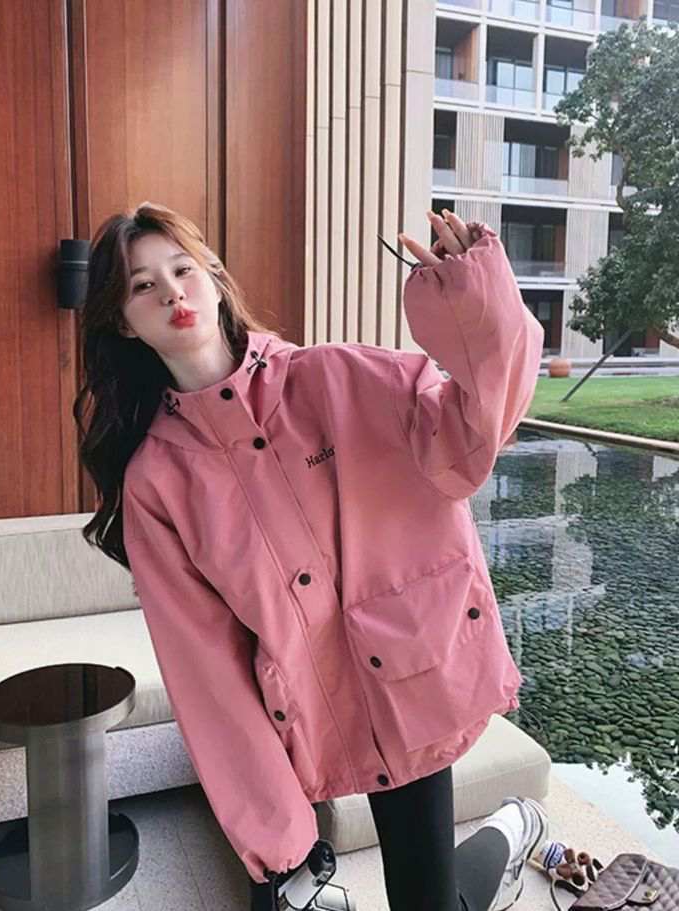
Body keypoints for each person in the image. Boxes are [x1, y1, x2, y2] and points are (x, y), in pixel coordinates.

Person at [74, 202, 546, 910]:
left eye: (182, 269)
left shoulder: (339, 378)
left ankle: (510, 830)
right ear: (122, 321)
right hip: (304, 707)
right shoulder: (157, 481)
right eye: (143, 285)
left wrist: (477, 303)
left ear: (214, 277)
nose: (171, 292)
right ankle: (512, 828)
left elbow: (468, 446)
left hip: (413, 672)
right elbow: (203, 668)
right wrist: (277, 837)